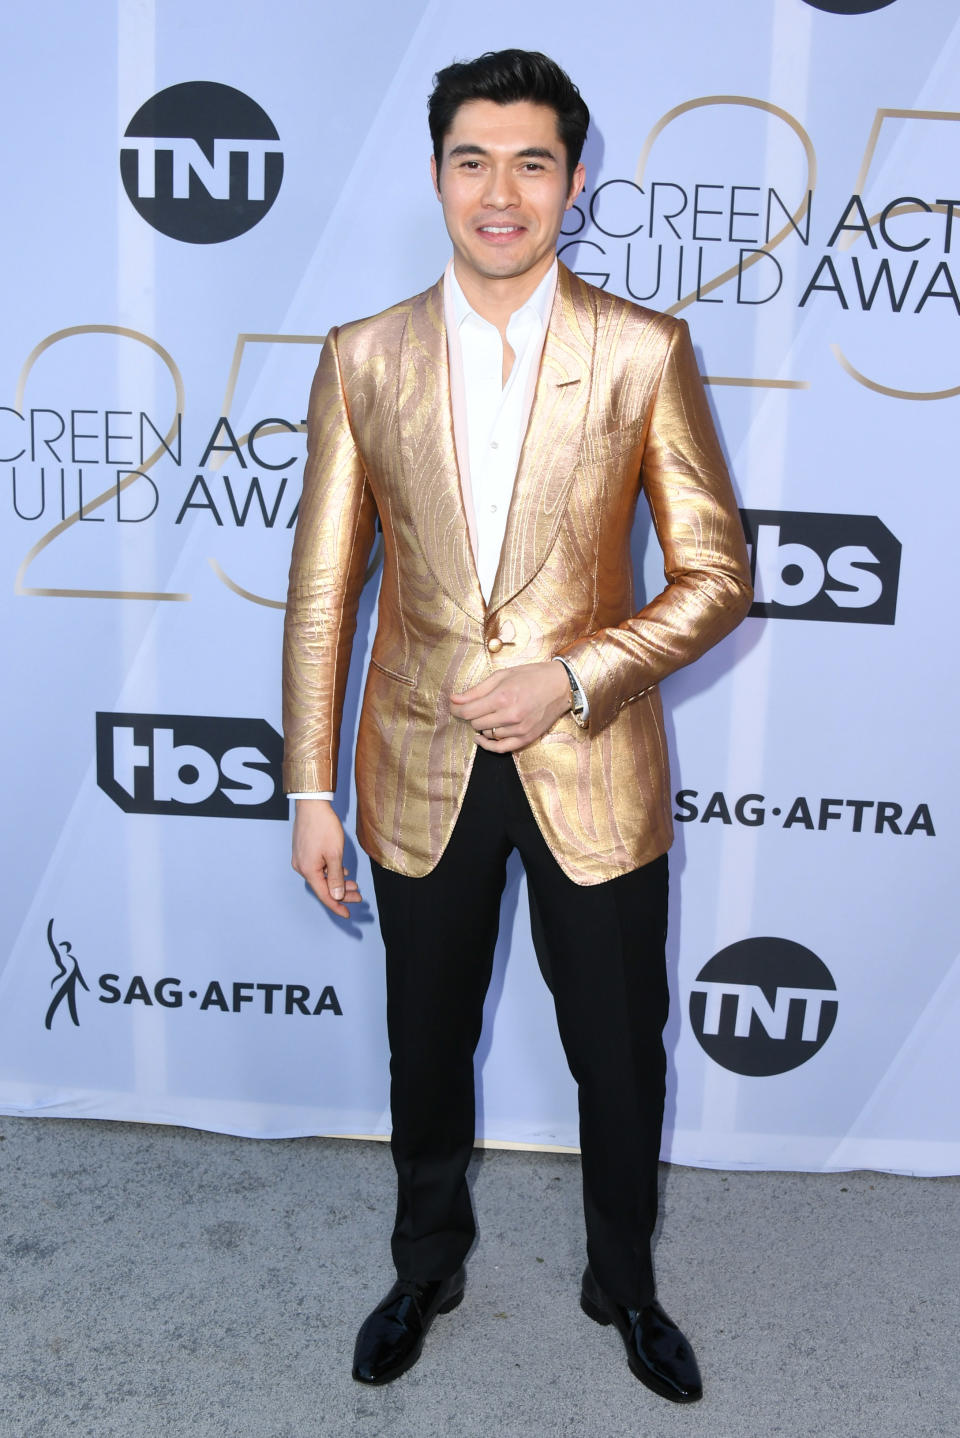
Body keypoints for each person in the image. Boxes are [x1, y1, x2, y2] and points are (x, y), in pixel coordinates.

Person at [282, 48, 751, 1403]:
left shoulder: (643, 350)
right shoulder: (362, 356)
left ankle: (626, 1278)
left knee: (619, 1046)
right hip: (416, 765)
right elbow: (322, 594)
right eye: (475, 160)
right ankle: (425, 1262)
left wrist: (576, 675)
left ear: (575, 180)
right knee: (423, 1045)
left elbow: (718, 575)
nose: (502, 192)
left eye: (532, 162)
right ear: (437, 175)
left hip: (593, 761)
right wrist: (310, 788)